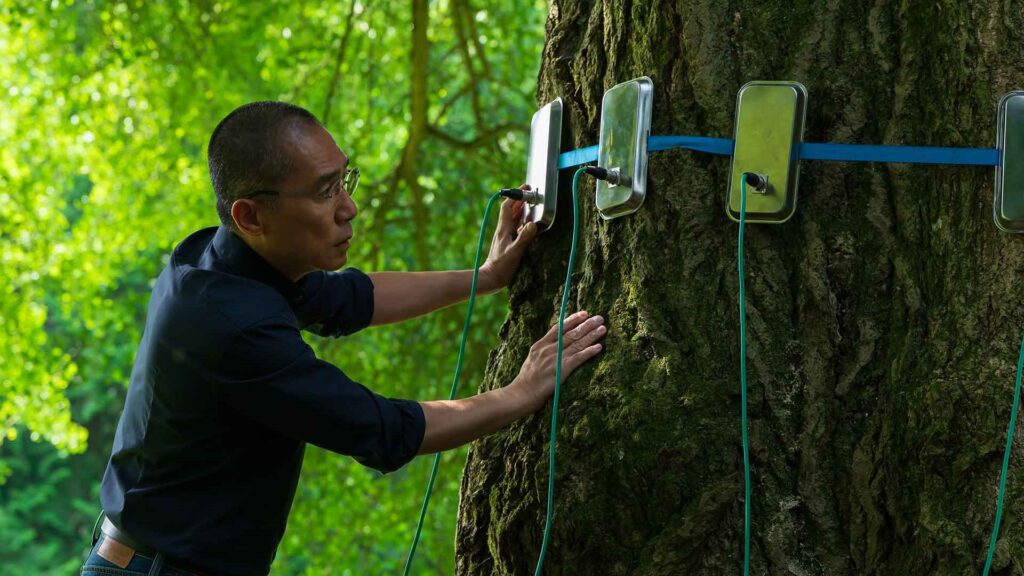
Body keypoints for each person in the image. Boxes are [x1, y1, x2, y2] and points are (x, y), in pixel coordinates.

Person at [80, 101, 606, 576]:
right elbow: (382, 429)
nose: (349, 206)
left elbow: (353, 299)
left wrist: (486, 278)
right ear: (250, 215)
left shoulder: (226, 260)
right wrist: (521, 392)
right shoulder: (231, 326)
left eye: (344, 179)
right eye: (324, 191)